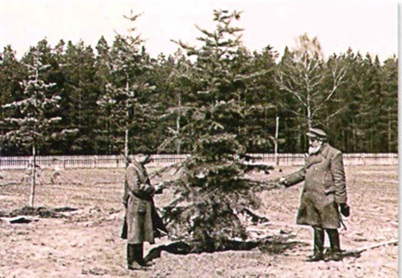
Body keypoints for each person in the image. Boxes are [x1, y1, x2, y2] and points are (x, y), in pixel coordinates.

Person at [277, 127, 350, 262]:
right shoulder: (313, 155)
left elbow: (339, 179)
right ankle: (317, 253)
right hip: (311, 196)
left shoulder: (334, 154)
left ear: (320, 141)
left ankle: (336, 251)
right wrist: (286, 180)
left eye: (312, 140)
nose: (310, 143)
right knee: (316, 225)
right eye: (310, 140)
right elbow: (303, 172)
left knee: (330, 225)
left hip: (327, 197)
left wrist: (341, 201)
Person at [121, 154, 163, 270]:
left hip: (142, 204)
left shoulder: (140, 168)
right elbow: (136, 187)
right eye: (147, 157)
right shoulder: (131, 169)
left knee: (141, 232)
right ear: (140, 155)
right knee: (134, 233)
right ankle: (132, 261)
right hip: (135, 205)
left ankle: (139, 259)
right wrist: (153, 189)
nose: (149, 159)